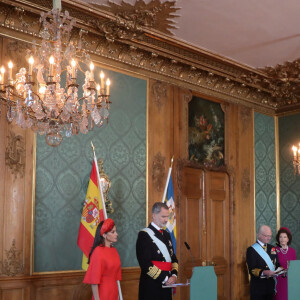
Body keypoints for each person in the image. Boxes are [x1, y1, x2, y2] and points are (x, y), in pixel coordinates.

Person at [136, 202, 178, 300]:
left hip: (167, 286)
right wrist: (165, 278)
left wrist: (174, 275)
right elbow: (145, 263)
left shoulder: (167, 235)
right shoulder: (144, 235)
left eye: (168, 216)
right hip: (151, 286)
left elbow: (174, 259)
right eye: (163, 216)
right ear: (154, 216)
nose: (166, 220)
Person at [83, 218, 121, 300]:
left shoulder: (114, 250)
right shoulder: (98, 251)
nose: (116, 234)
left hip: (114, 292)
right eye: (113, 232)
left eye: (116, 231)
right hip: (103, 293)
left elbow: (117, 277)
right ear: (104, 235)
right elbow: (94, 282)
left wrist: (118, 296)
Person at [246, 225, 280, 300]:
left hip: (270, 286)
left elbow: (277, 264)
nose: (269, 238)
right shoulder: (251, 250)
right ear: (259, 235)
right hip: (258, 288)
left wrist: (281, 270)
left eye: (270, 236)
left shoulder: (272, 248)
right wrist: (264, 272)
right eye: (266, 236)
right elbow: (252, 270)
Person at [274, 227, 296, 300]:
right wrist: (283, 271)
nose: (282, 239)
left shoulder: (292, 251)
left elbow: (294, 268)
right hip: (278, 280)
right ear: (278, 238)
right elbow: (272, 266)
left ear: (288, 239)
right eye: (280, 237)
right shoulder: (274, 250)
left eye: (284, 237)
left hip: (290, 281)